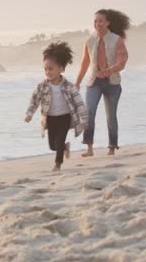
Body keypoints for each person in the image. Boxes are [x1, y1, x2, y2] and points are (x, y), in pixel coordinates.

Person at [24, 42, 89, 171]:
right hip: (50, 119)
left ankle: (58, 164)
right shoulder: (42, 86)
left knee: (59, 141)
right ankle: (65, 147)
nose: (48, 72)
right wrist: (29, 114)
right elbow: (34, 100)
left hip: (64, 118)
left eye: (51, 69)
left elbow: (79, 103)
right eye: (45, 69)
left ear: (61, 68)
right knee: (52, 146)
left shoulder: (69, 86)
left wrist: (84, 120)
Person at [74, 9, 130, 157]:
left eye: (100, 21)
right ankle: (89, 148)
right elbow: (84, 64)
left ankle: (112, 147)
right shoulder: (90, 41)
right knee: (89, 112)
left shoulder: (117, 39)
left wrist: (109, 70)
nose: (97, 24)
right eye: (95, 21)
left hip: (112, 83)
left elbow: (122, 62)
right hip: (94, 82)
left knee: (111, 116)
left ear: (107, 22)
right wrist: (78, 82)